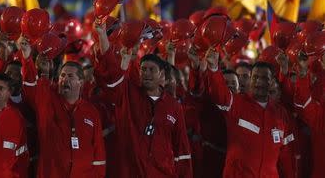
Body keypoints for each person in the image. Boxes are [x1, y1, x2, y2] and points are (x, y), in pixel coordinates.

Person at [94, 23, 193, 178]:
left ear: (161, 74)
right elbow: (112, 73)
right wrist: (102, 35)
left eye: (151, 70)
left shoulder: (173, 105)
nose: (146, 73)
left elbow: (182, 149)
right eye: (143, 69)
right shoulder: (129, 94)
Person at [191, 48, 295, 178]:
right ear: (250, 79)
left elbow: (286, 157)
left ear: (271, 82)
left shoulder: (281, 114)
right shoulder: (237, 103)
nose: (259, 82)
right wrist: (213, 68)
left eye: (264, 78)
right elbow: (220, 94)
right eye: (255, 77)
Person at [19, 36, 106, 178]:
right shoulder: (47, 99)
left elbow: (98, 155)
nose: (65, 79)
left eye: (70, 76)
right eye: (63, 76)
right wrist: (27, 58)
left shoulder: (91, 112)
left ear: (81, 82)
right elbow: (29, 86)